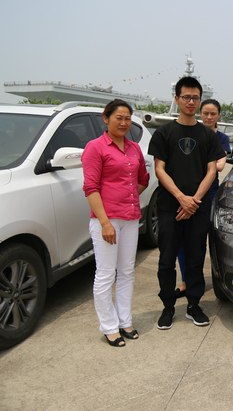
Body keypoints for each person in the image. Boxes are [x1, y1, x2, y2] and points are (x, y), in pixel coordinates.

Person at [148, 76, 226, 330]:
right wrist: (182, 198)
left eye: (195, 98)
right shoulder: (164, 133)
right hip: (170, 207)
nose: (191, 102)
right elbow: (159, 169)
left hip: (198, 207)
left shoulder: (207, 135)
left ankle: (194, 304)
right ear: (177, 99)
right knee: (167, 259)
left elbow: (212, 170)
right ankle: (168, 306)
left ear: (199, 100)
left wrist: (195, 201)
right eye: (186, 97)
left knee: (195, 258)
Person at [82, 99, 149, 347]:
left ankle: (125, 321)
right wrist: (105, 222)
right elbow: (90, 187)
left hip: (130, 219)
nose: (123, 123)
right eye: (118, 118)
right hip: (106, 220)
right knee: (106, 274)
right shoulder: (95, 147)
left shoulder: (134, 148)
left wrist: (126, 198)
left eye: (127, 118)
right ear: (106, 118)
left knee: (127, 272)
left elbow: (142, 179)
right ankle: (109, 327)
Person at [174, 98, 231, 298]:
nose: (208, 117)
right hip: (185, 194)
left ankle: (204, 278)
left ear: (219, 116)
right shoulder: (190, 134)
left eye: (212, 114)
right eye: (205, 113)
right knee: (183, 240)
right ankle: (186, 280)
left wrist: (196, 163)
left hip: (209, 195)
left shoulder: (221, 139)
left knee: (204, 240)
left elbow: (220, 165)